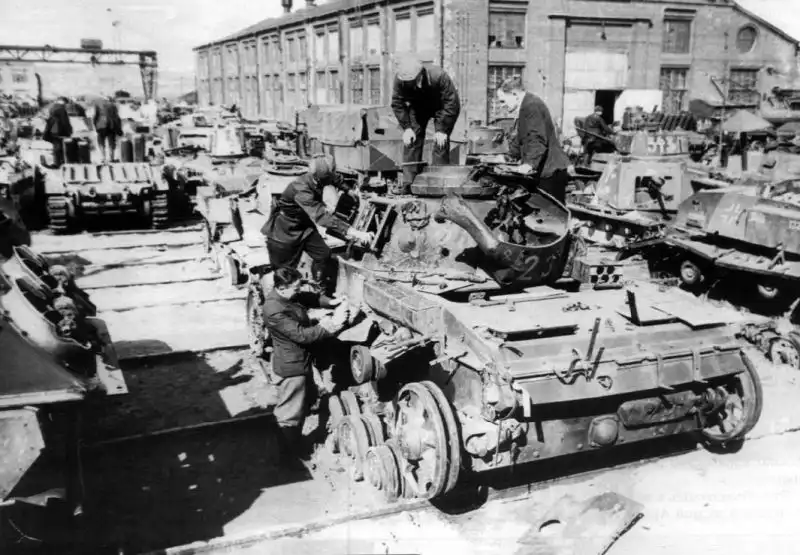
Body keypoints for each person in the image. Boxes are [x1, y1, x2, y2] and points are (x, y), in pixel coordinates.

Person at [263, 266, 350, 460]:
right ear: (282, 287)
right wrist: (332, 324)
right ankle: (287, 457)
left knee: (302, 404)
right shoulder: (273, 310)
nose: (298, 290)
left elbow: (307, 298)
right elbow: (302, 336)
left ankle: (294, 445)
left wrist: (331, 302)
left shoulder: (286, 295)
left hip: (301, 362)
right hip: (291, 368)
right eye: (295, 287)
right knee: (289, 414)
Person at [260, 154, 372, 294]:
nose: (332, 176)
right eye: (328, 175)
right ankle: (283, 301)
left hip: (304, 227)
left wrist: (348, 190)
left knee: (323, 254)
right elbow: (321, 217)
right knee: (285, 274)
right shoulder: (301, 189)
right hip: (284, 231)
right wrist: (355, 232)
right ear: (320, 177)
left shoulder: (321, 177)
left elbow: (335, 178)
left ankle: (318, 287)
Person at [495, 76, 571, 203]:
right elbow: (522, 138)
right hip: (544, 170)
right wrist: (507, 157)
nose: (502, 106)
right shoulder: (526, 106)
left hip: (550, 172)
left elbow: (537, 139)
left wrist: (528, 164)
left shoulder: (531, 106)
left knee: (550, 217)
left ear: (514, 94)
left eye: (503, 101)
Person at [391, 53, 461, 191]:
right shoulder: (400, 79)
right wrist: (407, 128)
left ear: (420, 75)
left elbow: (452, 104)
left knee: (440, 142)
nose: (410, 84)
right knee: (411, 140)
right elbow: (397, 103)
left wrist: (442, 129)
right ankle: (409, 184)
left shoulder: (439, 76)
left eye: (412, 81)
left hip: (441, 107)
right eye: (407, 83)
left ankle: (439, 183)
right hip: (418, 108)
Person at [42, 97, 72, 167]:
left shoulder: (52, 107)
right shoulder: (61, 109)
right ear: (64, 102)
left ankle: (57, 162)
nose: (66, 106)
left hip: (52, 129)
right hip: (59, 130)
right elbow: (64, 121)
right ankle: (59, 163)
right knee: (59, 146)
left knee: (56, 145)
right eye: (66, 104)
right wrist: (69, 130)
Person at [93, 96, 123, 163]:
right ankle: (111, 158)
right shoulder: (113, 106)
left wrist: (96, 126)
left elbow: (95, 117)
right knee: (111, 142)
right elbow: (116, 117)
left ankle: (103, 158)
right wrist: (119, 128)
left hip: (100, 126)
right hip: (111, 126)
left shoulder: (98, 105)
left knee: (101, 142)